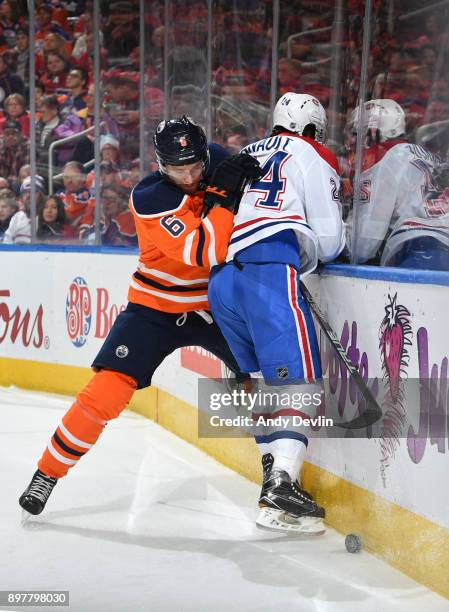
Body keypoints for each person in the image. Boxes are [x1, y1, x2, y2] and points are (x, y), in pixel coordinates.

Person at [19, 115, 261, 516]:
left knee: (267, 374)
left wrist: (252, 173)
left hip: (212, 307)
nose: (188, 175)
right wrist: (222, 196)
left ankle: (279, 473)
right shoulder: (150, 198)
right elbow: (207, 251)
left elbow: (250, 173)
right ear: (160, 165)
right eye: (177, 169)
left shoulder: (217, 161)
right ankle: (48, 472)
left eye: (195, 166)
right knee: (105, 393)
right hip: (154, 309)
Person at [207, 92, 345, 533]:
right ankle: (283, 482)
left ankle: (273, 493)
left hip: (221, 278)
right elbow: (330, 238)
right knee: (297, 382)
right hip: (267, 268)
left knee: (263, 386)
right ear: (310, 129)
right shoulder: (311, 154)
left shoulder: (245, 152)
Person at [346, 99, 449, 269]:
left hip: (419, 253)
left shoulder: (384, 160)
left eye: (356, 134)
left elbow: (362, 246)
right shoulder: (422, 155)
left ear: (370, 133)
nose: (351, 143)